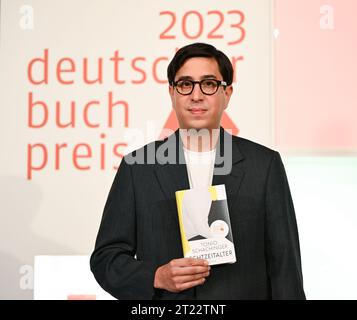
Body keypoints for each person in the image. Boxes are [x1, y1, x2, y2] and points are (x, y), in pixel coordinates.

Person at [90, 42, 306, 300]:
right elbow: (106, 258)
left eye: (209, 84)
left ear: (227, 94)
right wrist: (156, 276)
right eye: (185, 84)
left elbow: (285, 266)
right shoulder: (138, 167)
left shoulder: (264, 165)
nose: (196, 95)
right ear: (172, 93)